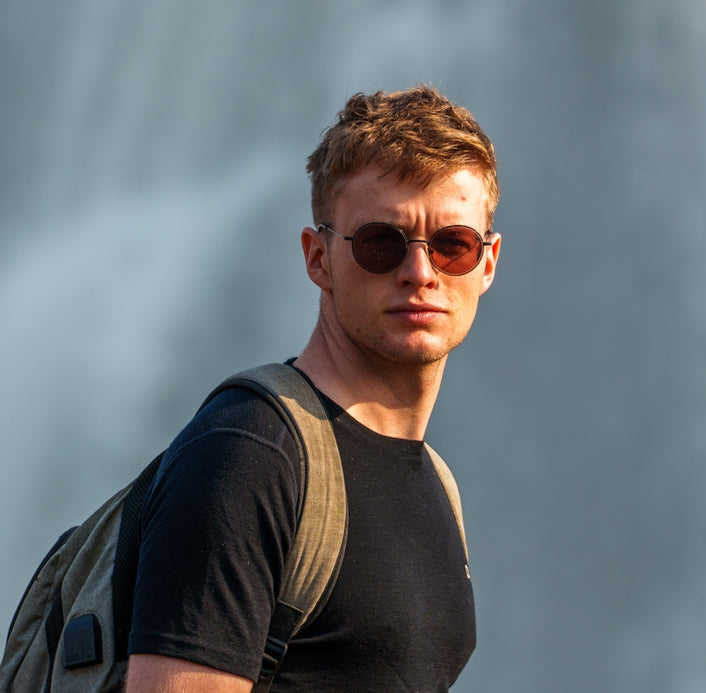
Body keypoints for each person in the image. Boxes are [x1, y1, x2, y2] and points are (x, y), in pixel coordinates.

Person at [124, 84, 501, 692]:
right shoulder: (249, 455)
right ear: (318, 257)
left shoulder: (436, 483)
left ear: (487, 262)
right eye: (381, 243)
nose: (420, 272)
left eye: (452, 245)